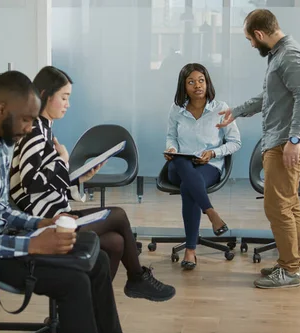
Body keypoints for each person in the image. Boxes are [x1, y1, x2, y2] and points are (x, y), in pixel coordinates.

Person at [0, 70, 124, 333]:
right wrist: (32, 243)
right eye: (25, 119)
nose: (28, 128)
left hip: (3, 241)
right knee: (74, 280)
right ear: (1, 109)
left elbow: (0, 209)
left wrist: (43, 223)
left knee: (99, 259)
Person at [9, 65, 176, 302]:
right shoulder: (34, 131)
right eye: (64, 98)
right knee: (117, 215)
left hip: (53, 215)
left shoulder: (43, 129)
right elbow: (32, 185)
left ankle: (89, 305)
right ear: (45, 95)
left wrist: (77, 177)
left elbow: (44, 182)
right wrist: (64, 164)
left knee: (116, 243)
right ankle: (136, 278)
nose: (67, 104)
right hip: (41, 225)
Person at [216, 9, 300, 289]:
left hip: (285, 142)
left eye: (250, 39)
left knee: (277, 207)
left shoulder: (291, 55)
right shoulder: (280, 55)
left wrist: (295, 140)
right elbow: (270, 97)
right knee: (289, 205)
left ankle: (290, 270)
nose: (251, 45)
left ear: (260, 34)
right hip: (280, 139)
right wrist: (237, 111)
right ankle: (293, 263)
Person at [164, 63, 241, 270]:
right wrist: (171, 148)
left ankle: (190, 250)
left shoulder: (220, 108)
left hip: (209, 166)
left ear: (207, 82)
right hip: (179, 166)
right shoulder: (176, 110)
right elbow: (171, 136)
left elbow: (235, 142)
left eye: (201, 80)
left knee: (188, 187)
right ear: (184, 86)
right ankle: (211, 213)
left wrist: (213, 153)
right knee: (181, 161)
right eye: (191, 82)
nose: (197, 85)